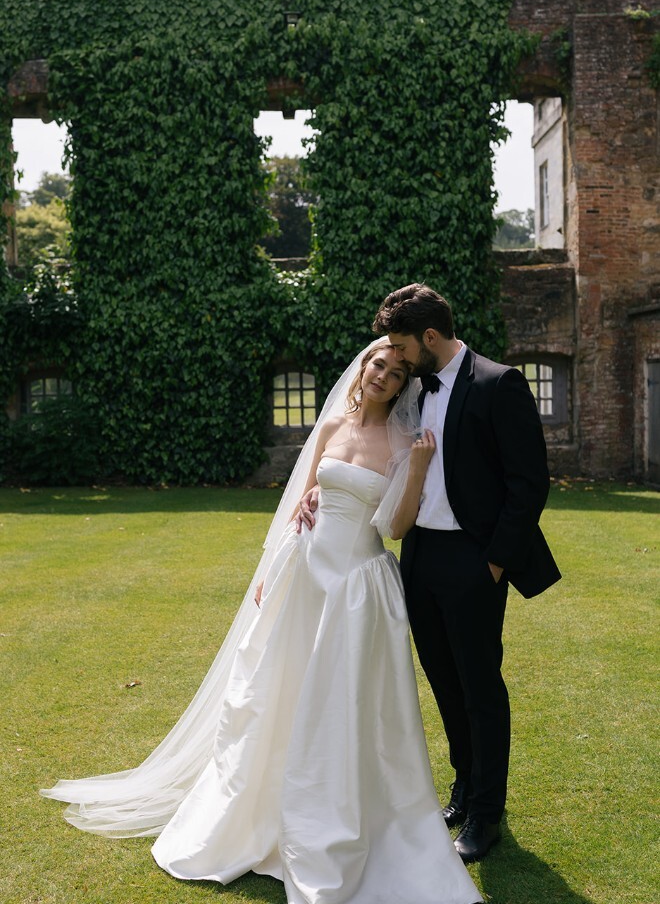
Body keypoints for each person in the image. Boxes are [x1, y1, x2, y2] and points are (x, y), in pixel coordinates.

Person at [41, 338, 482, 904]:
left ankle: (333, 819)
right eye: (378, 364)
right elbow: (300, 506)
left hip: (353, 590)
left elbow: (394, 527)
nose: (384, 377)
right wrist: (272, 571)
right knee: (274, 693)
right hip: (303, 577)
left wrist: (418, 465)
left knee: (342, 706)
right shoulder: (330, 428)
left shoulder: (403, 442)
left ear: (403, 387)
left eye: (397, 373)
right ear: (363, 367)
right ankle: (263, 811)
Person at [299, 284, 561, 865]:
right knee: (443, 683)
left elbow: (529, 484)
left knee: (480, 687)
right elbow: (366, 451)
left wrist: (494, 561)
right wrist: (319, 486)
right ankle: (464, 789)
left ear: (430, 338)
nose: (392, 353)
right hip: (416, 560)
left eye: (400, 343)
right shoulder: (412, 388)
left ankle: (488, 815)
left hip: (474, 561)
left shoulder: (499, 384)